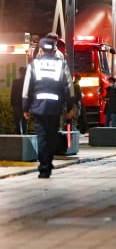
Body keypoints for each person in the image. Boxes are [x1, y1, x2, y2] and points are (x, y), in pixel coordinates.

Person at [22, 37, 74, 178]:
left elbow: (27, 88)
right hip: (55, 106)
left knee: (42, 136)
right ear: (54, 49)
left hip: (38, 106)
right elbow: (69, 87)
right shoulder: (61, 65)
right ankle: (48, 163)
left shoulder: (34, 65)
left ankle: (43, 166)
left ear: (41, 49)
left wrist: (26, 108)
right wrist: (69, 108)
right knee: (52, 136)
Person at [10, 67, 28, 134]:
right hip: (25, 104)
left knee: (17, 121)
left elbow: (13, 93)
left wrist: (12, 104)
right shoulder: (27, 82)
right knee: (24, 121)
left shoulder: (15, 82)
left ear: (20, 73)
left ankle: (19, 135)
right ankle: (24, 135)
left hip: (16, 104)